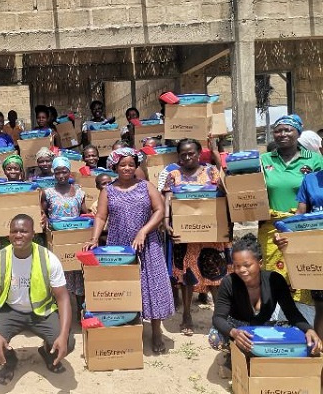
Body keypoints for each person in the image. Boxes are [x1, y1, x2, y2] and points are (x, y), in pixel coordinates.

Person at [86, 148, 174, 353]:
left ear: (136, 166)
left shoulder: (146, 186)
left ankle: (156, 333)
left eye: (131, 164)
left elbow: (160, 210)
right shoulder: (107, 190)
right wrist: (94, 239)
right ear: (114, 167)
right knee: (123, 288)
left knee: (152, 287)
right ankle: (128, 331)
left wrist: (143, 231)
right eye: (122, 165)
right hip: (119, 245)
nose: (127, 168)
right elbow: (100, 216)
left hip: (147, 244)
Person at [209, 234, 322, 378]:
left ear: (260, 263)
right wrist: (234, 333)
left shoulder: (275, 280)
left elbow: (292, 313)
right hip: (238, 328)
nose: (241, 270)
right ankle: (234, 355)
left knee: (304, 337)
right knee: (215, 337)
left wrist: (309, 329)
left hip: (266, 328)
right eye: (236, 266)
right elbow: (218, 318)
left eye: (247, 265)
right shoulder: (229, 282)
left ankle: (267, 358)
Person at [0, 214, 74, 385]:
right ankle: (10, 361)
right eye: (14, 231)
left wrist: (62, 335)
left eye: (24, 231)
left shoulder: (48, 258)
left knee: (67, 341)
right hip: (11, 311)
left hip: (42, 312)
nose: (18, 235)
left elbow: (63, 299)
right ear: (9, 234)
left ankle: (48, 352)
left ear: (33, 233)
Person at [163, 138, 231, 336]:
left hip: (211, 232)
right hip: (185, 233)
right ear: (179, 157)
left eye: (191, 153)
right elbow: (167, 199)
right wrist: (166, 222)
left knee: (216, 275)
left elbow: (225, 192)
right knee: (186, 276)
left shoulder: (211, 171)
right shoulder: (173, 174)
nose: (187, 157)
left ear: (199, 152)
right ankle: (186, 316)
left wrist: (218, 158)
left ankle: (219, 319)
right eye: (183, 154)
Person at [259, 115, 323, 317]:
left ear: (298, 133)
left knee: (302, 273)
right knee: (274, 275)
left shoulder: (315, 160)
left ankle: (303, 320)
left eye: (288, 130)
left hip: (305, 229)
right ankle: (277, 320)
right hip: (272, 228)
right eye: (278, 130)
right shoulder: (264, 160)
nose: (283, 134)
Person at [274, 166, 323, 339]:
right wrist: (285, 237)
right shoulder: (310, 180)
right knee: (321, 307)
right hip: (317, 252)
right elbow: (300, 216)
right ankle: (320, 358)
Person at [42, 157, 88, 315]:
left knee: (78, 275)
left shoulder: (79, 192)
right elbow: (43, 213)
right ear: (53, 174)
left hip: (75, 240)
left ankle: (78, 313)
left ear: (70, 172)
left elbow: (84, 214)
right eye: (57, 172)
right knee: (59, 275)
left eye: (64, 171)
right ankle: (62, 313)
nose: (61, 175)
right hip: (58, 241)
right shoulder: (48, 193)